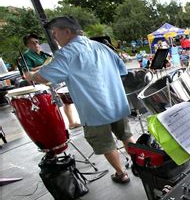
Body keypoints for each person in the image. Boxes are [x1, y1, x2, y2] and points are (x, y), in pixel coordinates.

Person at [25, 16, 134, 184]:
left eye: (55, 33)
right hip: (117, 102)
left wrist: (30, 75)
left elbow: (44, 76)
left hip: (94, 110)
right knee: (127, 136)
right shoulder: (101, 46)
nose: (54, 38)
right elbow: (121, 70)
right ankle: (140, 166)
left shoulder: (66, 53)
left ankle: (121, 173)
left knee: (106, 144)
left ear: (67, 31)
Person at [22, 33, 81, 130]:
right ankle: (58, 127)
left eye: (36, 42)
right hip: (41, 82)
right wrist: (44, 66)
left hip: (53, 79)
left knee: (66, 100)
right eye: (32, 42)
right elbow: (28, 71)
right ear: (27, 45)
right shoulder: (27, 55)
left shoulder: (43, 53)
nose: (36, 44)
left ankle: (71, 122)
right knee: (51, 105)